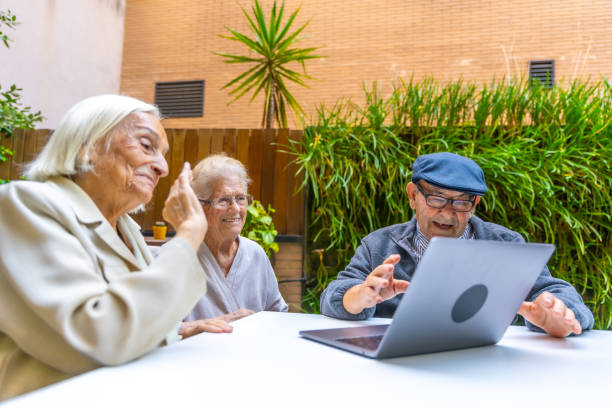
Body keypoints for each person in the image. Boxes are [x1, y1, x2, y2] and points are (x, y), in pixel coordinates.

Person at [0, 95, 212, 400]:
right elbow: (98, 337)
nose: (163, 167)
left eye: (164, 154)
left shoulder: (127, 229)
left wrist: (177, 329)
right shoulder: (25, 204)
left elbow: (129, 317)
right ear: (85, 147)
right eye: (146, 145)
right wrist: (189, 233)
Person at [320, 152, 594, 338]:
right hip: (397, 367)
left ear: (475, 204)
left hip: (484, 366)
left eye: (462, 201)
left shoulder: (505, 244)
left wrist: (559, 314)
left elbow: (554, 290)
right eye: (437, 198)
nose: (448, 213)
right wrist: (359, 296)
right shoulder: (378, 245)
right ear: (413, 196)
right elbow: (333, 295)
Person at [178, 154, 288, 337]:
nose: (236, 208)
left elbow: (278, 316)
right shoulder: (175, 258)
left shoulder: (255, 254)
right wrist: (196, 327)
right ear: (199, 205)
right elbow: (147, 330)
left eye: (240, 198)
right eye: (223, 200)